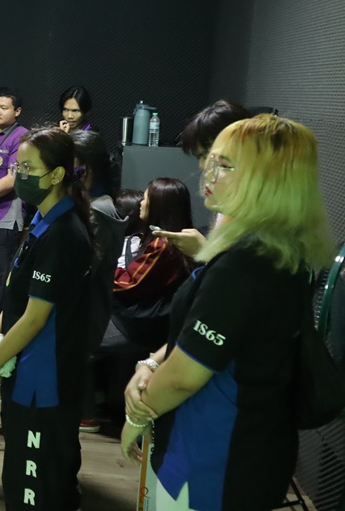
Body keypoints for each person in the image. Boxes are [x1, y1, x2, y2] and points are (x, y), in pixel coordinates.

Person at [121, 114, 333, 510]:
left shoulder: (245, 265)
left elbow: (184, 376)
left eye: (225, 165)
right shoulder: (282, 250)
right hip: (247, 451)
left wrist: (136, 417)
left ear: (266, 180)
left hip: (212, 460)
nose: (208, 174)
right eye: (209, 161)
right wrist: (151, 363)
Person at [0, 126, 93, 511]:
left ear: (56, 175)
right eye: (17, 167)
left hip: (43, 379)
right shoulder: (43, 220)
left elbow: (35, 319)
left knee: (33, 483)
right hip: (28, 372)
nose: (19, 175)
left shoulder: (63, 233)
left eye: (28, 168)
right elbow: (17, 296)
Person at [72, 130, 126, 433]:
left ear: (86, 168)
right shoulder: (98, 202)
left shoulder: (98, 210)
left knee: (78, 359)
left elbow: (84, 268)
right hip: (91, 302)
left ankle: (86, 415)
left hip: (87, 305)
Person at [153, 99, 251, 257]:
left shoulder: (258, 220)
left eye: (207, 155)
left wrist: (203, 251)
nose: (203, 167)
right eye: (200, 157)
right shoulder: (225, 206)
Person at [112, 178, 194, 350]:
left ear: (157, 206)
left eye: (145, 199)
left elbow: (127, 284)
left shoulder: (163, 245)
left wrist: (104, 269)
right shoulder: (178, 240)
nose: (140, 203)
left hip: (138, 327)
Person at [0, 86, 29, 332]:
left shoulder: (22, 137)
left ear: (17, 111)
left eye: (3, 107)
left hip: (5, 217)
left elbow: (12, 181)